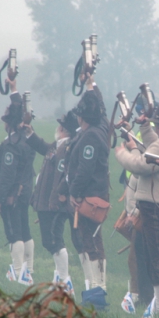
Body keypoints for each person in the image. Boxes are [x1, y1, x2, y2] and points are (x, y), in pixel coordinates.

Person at [115, 103, 159, 317]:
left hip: (157, 206)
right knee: (156, 258)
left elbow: (140, 165)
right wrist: (145, 127)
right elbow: (154, 147)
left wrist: (122, 153)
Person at [24, 110, 78, 293]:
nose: (57, 128)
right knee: (50, 241)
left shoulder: (67, 147)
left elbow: (62, 176)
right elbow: (43, 147)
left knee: (54, 240)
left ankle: (64, 281)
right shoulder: (58, 145)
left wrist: (55, 200)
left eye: (60, 125)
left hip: (54, 204)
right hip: (48, 203)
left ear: (64, 129)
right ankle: (60, 279)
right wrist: (30, 133)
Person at [63, 88, 110, 294]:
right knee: (93, 242)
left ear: (82, 116)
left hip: (89, 197)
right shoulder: (99, 130)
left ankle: (97, 289)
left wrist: (74, 192)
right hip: (94, 195)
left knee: (91, 243)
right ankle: (97, 287)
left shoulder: (90, 136)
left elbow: (84, 170)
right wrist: (92, 85)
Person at [0, 93, 36, 284]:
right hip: (24, 192)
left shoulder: (11, 144)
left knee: (14, 233)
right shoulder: (28, 140)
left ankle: (18, 273)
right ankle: (29, 270)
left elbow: (7, 176)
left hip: (11, 195)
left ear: (9, 123)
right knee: (25, 231)